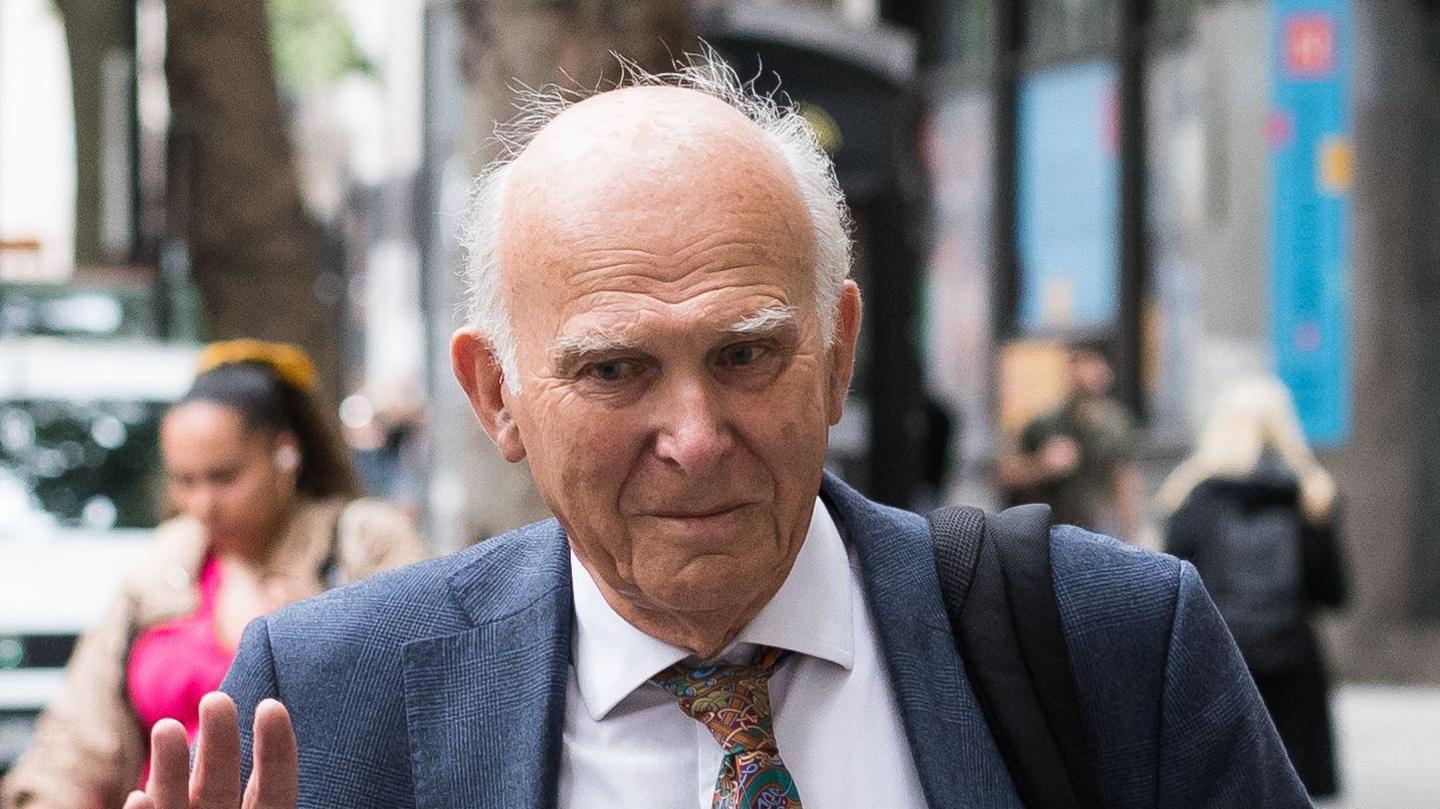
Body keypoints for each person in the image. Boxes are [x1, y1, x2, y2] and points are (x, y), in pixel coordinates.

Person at [123, 56, 1308, 809]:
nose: (693, 434)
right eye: (614, 368)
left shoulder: (1116, 648)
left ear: (837, 352)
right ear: (496, 397)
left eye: (745, 353)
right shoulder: (327, 700)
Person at [0, 340, 427, 809]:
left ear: (284, 455)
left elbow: (427, 699)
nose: (202, 504)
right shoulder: (158, 567)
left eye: (224, 478)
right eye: (184, 481)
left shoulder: (364, 545)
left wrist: (318, 638)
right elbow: (79, 741)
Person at [1159, 376, 1348, 799]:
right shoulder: (1313, 497)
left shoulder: (1188, 499)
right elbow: (1334, 592)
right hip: (1294, 664)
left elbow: (1169, 586)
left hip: (1214, 660)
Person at [997, 342, 1144, 539]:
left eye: (1091, 363)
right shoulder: (1043, 423)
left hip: (1100, 530)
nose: (1085, 373)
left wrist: (1133, 533)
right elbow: (1005, 474)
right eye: (1077, 363)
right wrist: (1043, 464)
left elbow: (1123, 478)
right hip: (1053, 529)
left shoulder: (1116, 423)